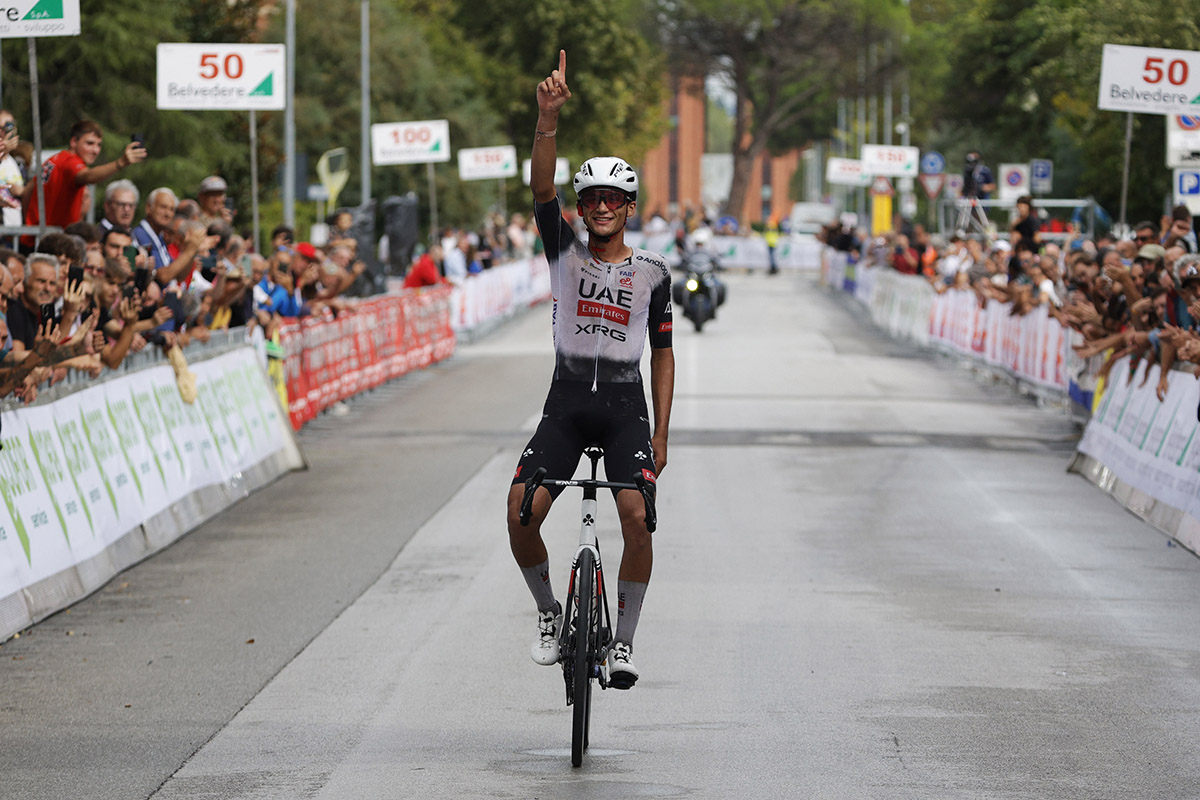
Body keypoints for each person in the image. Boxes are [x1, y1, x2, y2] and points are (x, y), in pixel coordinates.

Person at [507, 50, 674, 690]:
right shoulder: (565, 257)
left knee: (636, 519)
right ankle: (550, 614)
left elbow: (663, 353)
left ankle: (623, 643)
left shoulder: (654, 274)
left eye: (614, 198)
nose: (602, 206)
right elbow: (541, 187)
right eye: (592, 198)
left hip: (628, 411)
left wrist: (661, 432)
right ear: (582, 207)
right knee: (520, 511)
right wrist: (546, 119)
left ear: (628, 207)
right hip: (566, 408)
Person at [22, 119, 146, 242]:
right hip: (51, 241)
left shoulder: (54, 159)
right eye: (90, 143)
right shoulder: (70, 162)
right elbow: (88, 176)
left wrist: (27, 222)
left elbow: (28, 190)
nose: (96, 150)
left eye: (99, 145)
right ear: (74, 142)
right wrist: (121, 163)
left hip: (36, 237)